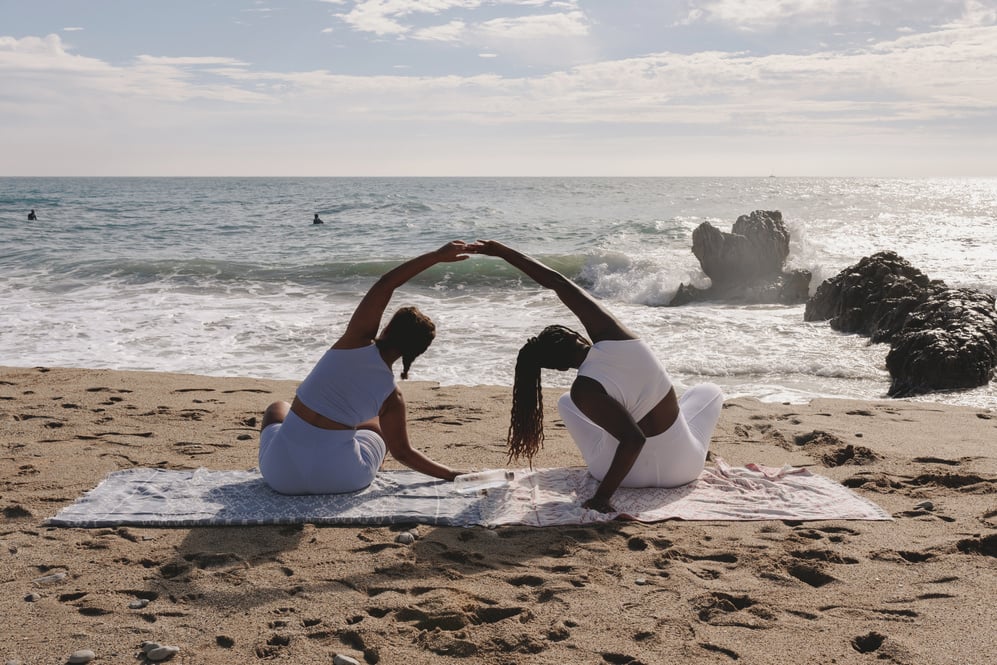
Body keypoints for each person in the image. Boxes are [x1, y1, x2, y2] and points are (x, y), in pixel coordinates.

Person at [473, 241, 724, 513]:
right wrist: (503, 251)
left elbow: (632, 438)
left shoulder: (583, 390)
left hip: (621, 477)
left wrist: (603, 495)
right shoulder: (618, 336)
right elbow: (557, 282)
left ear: (558, 368)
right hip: (682, 470)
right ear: (575, 334)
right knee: (707, 391)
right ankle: (685, 438)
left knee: (566, 402)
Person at [258, 241, 473, 494]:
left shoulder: (353, 341)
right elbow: (403, 453)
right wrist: (452, 474)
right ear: (415, 352)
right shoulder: (392, 397)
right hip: (340, 480)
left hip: (280, 477)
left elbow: (386, 283)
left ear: (388, 328)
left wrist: (437, 256)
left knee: (278, 408)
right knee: (374, 424)